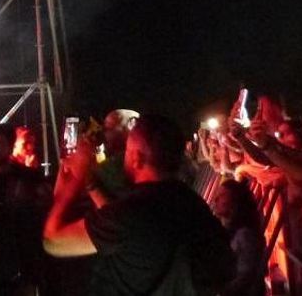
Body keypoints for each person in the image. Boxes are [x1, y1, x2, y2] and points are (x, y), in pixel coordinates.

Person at [43, 114, 234, 294]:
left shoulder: (132, 211)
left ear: (137, 158)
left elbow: (53, 241)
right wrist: (91, 184)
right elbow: (226, 268)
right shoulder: (194, 206)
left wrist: (76, 175)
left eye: (127, 150)